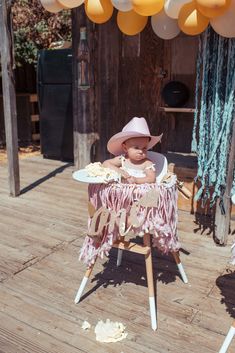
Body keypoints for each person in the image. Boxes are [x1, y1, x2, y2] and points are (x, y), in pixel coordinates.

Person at [103, 117, 162, 184]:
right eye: (136, 148)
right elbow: (106, 163)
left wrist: (137, 180)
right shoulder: (123, 160)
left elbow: (151, 179)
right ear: (125, 148)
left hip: (140, 192)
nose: (141, 151)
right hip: (122, 192)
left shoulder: (147, 163)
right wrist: (118, 171)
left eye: (144, 148)